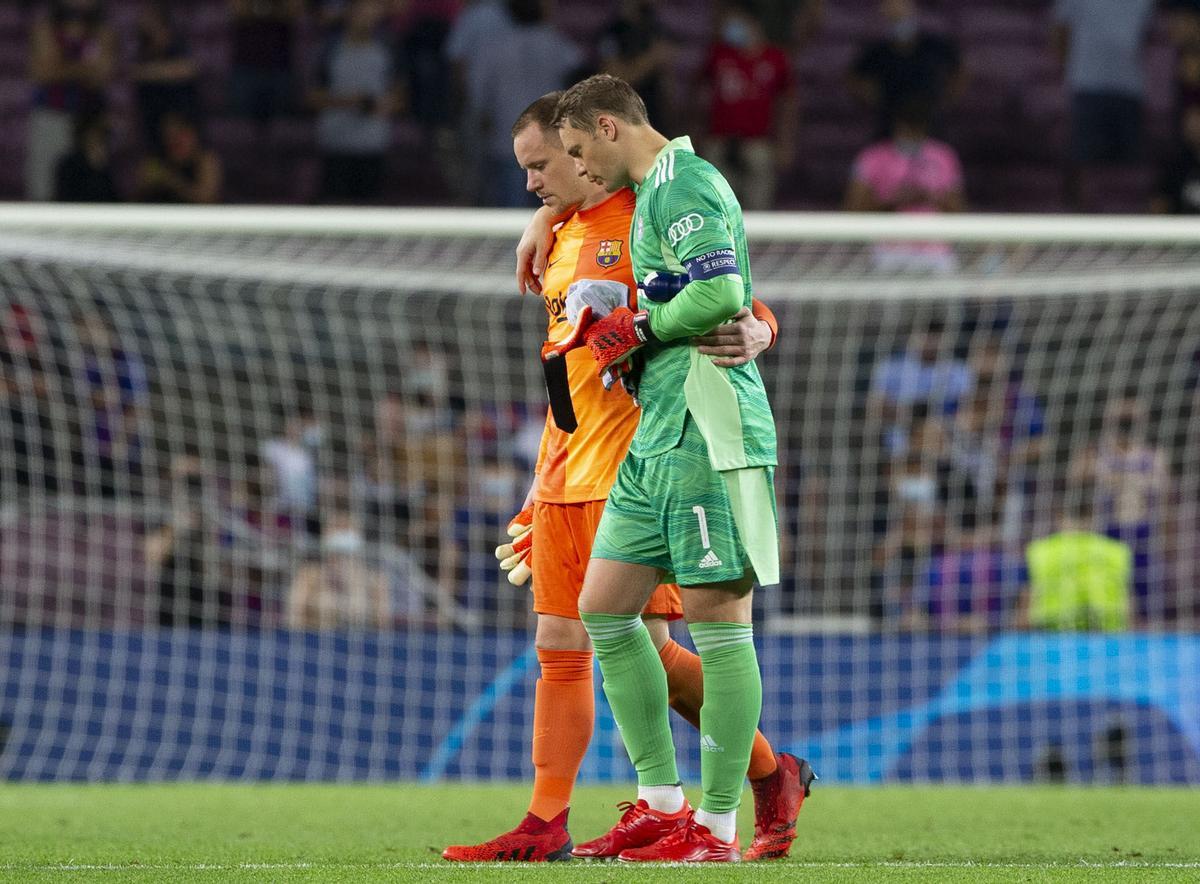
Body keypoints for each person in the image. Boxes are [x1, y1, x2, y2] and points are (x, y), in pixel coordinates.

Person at [444, 92, 808, 863]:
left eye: (548, 162)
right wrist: (539, 487)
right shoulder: (560, 233)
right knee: (570, 633)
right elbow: (569, 370)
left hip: (658, 442)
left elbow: (727, 292)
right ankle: (552, 820)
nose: (538, 181)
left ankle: (746, 786)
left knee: (662, 641)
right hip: (571, 465)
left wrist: (763, 326)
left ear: (591, 141)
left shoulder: (654, 197)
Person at [548, 74, 791, 862]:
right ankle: (660, 805)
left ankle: (716, 829)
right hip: (656, 434)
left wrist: (639, 328)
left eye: (578, 150)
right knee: (605, 609)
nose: (578, 168)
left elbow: (720, 290)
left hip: (706, 428)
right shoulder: (649, 192)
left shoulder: (684, 184)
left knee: (720, 628)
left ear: (609, 127)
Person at [473, 0, 583, 206]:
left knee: (512, 217)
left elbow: (478, 97)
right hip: (549, 145)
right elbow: (580, 81)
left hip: (505, 142)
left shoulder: (493, 47)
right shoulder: (557, 44)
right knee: (550, 214)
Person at [1052, 0, 1155, 206]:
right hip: (1087, 86)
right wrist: (1073, 69)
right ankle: (1079, 219)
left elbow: (1149, 35)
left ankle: (1129, 219)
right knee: (1085, 166)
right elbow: (1060, 29)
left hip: (1129, 89)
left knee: (1129, 172)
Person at [698, 2, 797, 210]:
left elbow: (788, 104)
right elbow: (698, 94)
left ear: (754, 23)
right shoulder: (719, 54)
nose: (730, 26)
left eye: (737, 21)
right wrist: (697, 134)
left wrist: (785, 143)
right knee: (717, 205)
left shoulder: (776, 58)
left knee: (758, 203)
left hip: (758, 142)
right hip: (719, 140)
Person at [308, 0, 403, 203]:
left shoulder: (388, 48)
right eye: (360, 9)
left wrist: (384, 104)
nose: (366, 15)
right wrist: (351, 101)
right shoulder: (329, 49)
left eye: (372, 9)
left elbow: (400, 97)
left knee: (370, 208)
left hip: (373, 144)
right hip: (336, 143)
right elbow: (312, 96)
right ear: (349, 12)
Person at [26, 0, 117, 201]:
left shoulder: (102, 30)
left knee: (91, 184)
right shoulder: (47, 27)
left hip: (90, 120)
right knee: (44, 186)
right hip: (52, 114)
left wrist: (61, 66)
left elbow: (102, 75)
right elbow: (42, 73)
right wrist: (85, 69)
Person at [849, 0, 962, 137]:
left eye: (901, 4)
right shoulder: (878, 50)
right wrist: (873, 98)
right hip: (891, 118)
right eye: (891, 5)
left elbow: (959, 69)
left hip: (928, 117)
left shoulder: (933, 44)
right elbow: (854, 77)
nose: (897, 9)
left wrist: (946, 99)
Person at [1022, 494, 1132, 632]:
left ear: (1058, 515)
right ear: (1094, 513)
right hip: (1108, 638)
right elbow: (1129, 607)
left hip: (1052, 637)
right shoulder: (1117, 551)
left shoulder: (1039, 551)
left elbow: (1024, 610)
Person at [287, 509, 390, 629]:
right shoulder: (309, 573)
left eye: (346, 527)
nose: (341, 533)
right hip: (315, 637)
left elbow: (383, 624)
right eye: (336, 527)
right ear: (325, 533)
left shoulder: (375, 579)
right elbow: (292, 617)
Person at [131, 0, 199, 147]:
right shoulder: (144, 48)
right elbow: (133, 73)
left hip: (179, 113)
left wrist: (148, 72)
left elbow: (188, 68)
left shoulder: (177, 43)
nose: (141, 19)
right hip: (153, 115)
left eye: (147, 16)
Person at [227, 0, 305, 122]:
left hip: (280, 65)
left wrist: (257, 9)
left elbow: (293, 10)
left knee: (283, 123)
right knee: (240, 124)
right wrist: (273, 9)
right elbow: (237, 10)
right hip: (245, 65)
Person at [133, 113, 222, 204]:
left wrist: (170, 179)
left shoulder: (206, 159)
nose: (175, 140)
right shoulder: (155, 162)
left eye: (180, 133)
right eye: (169, 135)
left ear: (194, 134)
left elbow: (206, 198)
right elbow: (134, 200)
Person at [54, 112, 120, 202]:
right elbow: (65, 198)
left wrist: (99, 167)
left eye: (101, 136)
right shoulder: (69, 166)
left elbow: (115, 201)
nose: (96, 140)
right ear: (84, 136)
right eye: (93, 135)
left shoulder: (111, 166)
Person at [1152, 104, 1200, 214]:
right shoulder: (1176, 164)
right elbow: (1159, 202)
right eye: (1191, 124)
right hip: (1182, 222)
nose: (1195, 128)